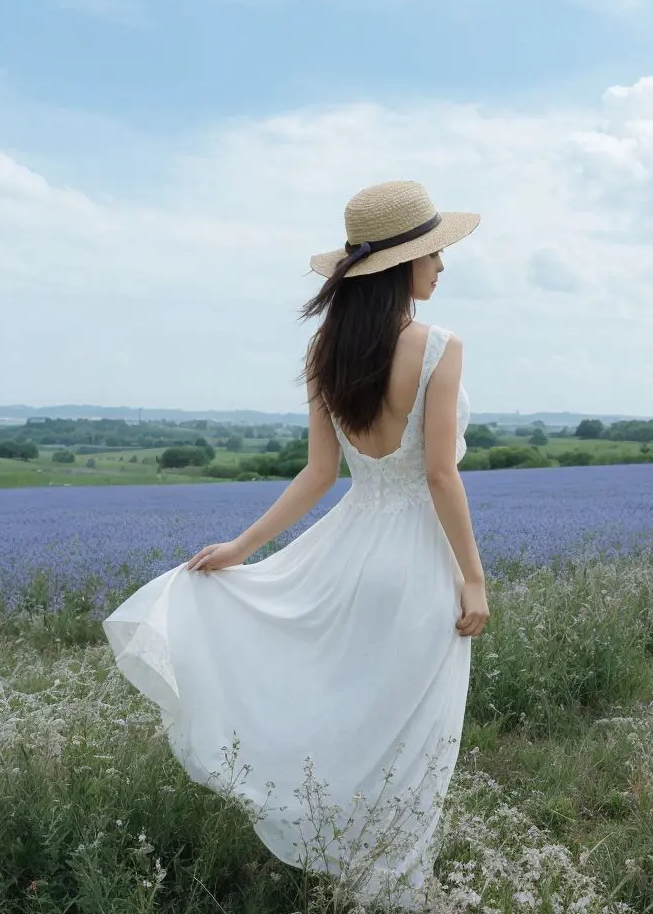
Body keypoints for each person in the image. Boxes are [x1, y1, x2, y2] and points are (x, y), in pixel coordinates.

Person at [103, 179, 490, 909]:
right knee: (410, 739)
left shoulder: (326, 350)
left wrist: (243, 547)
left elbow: (319, 475)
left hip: (347, 553)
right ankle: (397, 888)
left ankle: (352, 868)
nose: (443, 265)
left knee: (352, 714)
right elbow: (439, 473)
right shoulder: (440, 347)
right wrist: (473, 577)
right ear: (403, 263)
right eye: (435, 252)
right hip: (414, 563)